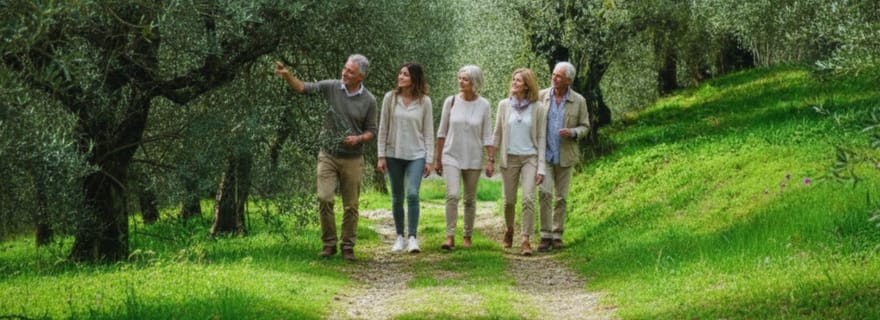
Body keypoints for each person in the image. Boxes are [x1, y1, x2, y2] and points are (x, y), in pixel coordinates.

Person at [274, 54, 378, 261]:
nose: (344, 73)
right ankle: (329, 244)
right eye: (344, 68)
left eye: (350, 71)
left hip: (353, 158)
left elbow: (372, 131)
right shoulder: (331, 86)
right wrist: (287, 76)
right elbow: (303, 88)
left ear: (361, 76)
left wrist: (358, 139)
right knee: (324, 198)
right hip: (328, 154)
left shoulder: (369, 100)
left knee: (351, 205)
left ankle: (348, 246)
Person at [435, 65, 495, 250]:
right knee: (452, 195)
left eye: (465, 79)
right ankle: (450, 236)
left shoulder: (484, 105)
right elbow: (442, 132)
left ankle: (467, 235)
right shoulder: (451, 101)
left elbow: (487, 135)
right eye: (460, 78)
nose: (460, 82)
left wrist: (490, 160)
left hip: (473, 157)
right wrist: (437, 158)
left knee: (469, 199)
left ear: (475, 82)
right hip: (451, 155)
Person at [377, 62, 434, 254]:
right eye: (400, 73)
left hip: (416, 155)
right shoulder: (390, 98)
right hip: (393, 154)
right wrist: (381, 155)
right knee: (397, 196)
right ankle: (399, 236)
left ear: (414, 79)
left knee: (412, 194)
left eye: (405, 75)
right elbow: (383, 128)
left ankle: (412, 238)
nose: (400, 77)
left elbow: (428, 132)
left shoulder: (424, 101)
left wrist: (429, 159)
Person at [490, 68, 546, 256]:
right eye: (513, 80)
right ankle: (509, 229)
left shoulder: (538, 108)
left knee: (529, 199)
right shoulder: (504, 105)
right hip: (510, 158)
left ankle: (525, 239)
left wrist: (541, 167)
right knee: (509, 201)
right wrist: (490, 158)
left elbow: (541, 137)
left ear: (527, 85)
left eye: (518, 80)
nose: (514, 83)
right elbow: (496, 133)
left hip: (530, 157)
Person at [538, 61, 590, 252]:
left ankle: (557, 234)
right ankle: (545, 235)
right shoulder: (541, 96)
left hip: (566, 155)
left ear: (569, 80)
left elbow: (585, 126)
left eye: (558, 76)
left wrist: (574, 132)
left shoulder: (579, 101)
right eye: (553, 74)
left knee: (561, 197)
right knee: (544, 193)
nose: (554, 78)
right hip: (545, 155)